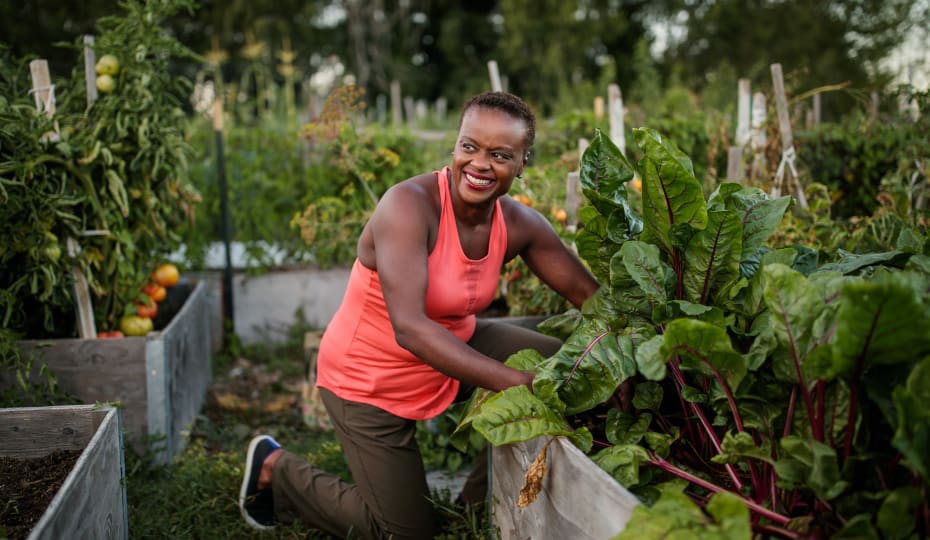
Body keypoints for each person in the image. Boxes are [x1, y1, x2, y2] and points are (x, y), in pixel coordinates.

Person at [238, 91, 600, 539]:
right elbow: (409, 328)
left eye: (500, 154)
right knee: (404, 534)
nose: (480, 164)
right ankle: (279, 471)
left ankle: (478, 501)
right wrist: (518, 383)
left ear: (523, 162)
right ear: (456, 146)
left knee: (571, 369)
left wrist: (644, 349)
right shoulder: (409, 206)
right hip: (370, 376)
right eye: (470, 147)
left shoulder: (519, 224)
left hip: (453, 347)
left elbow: (591, 297)